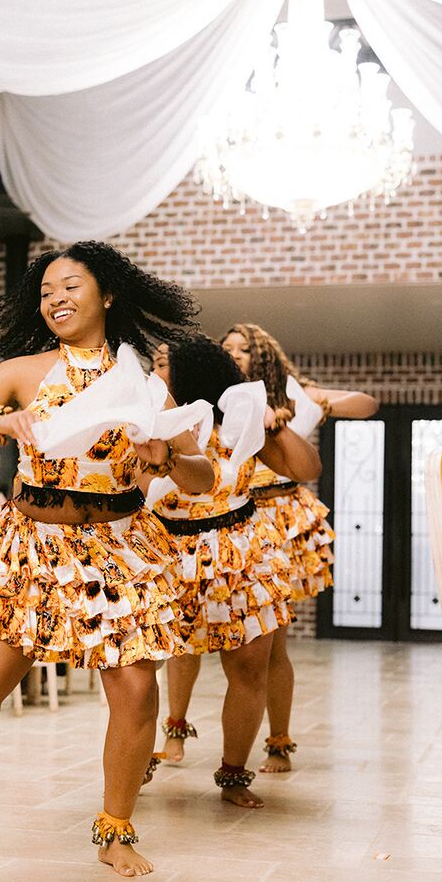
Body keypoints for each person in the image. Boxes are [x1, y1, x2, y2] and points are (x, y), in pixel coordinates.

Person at [0, 240, 214, 877]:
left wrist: (165, 458)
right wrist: (1, 423)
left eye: (70, 287)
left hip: (114, 547)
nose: (54, 299)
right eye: (46, 292)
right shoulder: (23, 371)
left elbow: (202, 474)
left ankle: (115, 830)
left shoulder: (144, 386)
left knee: (137, 695)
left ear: (107, 295)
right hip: (31, 542)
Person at [148, 336, 321, 809]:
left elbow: (307, 468)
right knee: (143, 663)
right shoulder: (146, 426)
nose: (153, 373)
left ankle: (233, 773)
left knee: (248, 668)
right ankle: (142, 751)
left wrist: (274, 423)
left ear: (193, 374)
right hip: (167, 553)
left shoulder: (238, 425)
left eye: (163, 365)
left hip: (241, 554)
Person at [222, 322, 378, 773]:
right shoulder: (217, 401)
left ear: (263, 357)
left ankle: (278, 741)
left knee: (272, 645)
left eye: (243, 349)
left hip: (280, 521)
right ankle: (179, 733)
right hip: (233, 520)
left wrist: (322, 400)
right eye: (226, 348)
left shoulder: (289, 396)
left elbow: (368, 405)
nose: (233, 354)